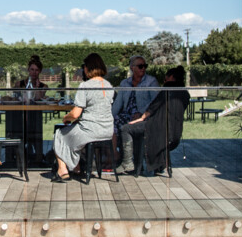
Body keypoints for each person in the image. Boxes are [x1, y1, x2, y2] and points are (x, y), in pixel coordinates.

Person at [50, 53, 114, 182]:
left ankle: (63, 170)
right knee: (71, 133)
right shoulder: (109, 85)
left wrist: (66, 118)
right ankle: (76, 167)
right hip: (107, 130)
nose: (83, 69)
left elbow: (75, 114)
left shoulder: (85, 86)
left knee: (59, 133)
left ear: (88, 67)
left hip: (90, 131)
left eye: (83, 66)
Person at [116, 66, 189, 175]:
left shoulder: (167, 90)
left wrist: (140, 118)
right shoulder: (185, 94)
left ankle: (127, 162)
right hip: (174, 134)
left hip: (157, 129)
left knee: (126, 128)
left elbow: (152, 108)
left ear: (172, 77)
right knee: (137, 128)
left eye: (165, 79)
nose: (164, 82)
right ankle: (159, 164)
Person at [111, 55, 159, 159]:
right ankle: (115, 154)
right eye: (140, 66)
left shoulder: (151, 82)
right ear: (132, 68)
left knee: (125, 126)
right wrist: (109, 116)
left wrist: (142, 114)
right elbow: (118, 103)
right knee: (112, 122)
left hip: (144, 116)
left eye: (145, 66)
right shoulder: (125, 83)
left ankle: (128, 159)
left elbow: (155, 102)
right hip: (126, 115)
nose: (143, 68)